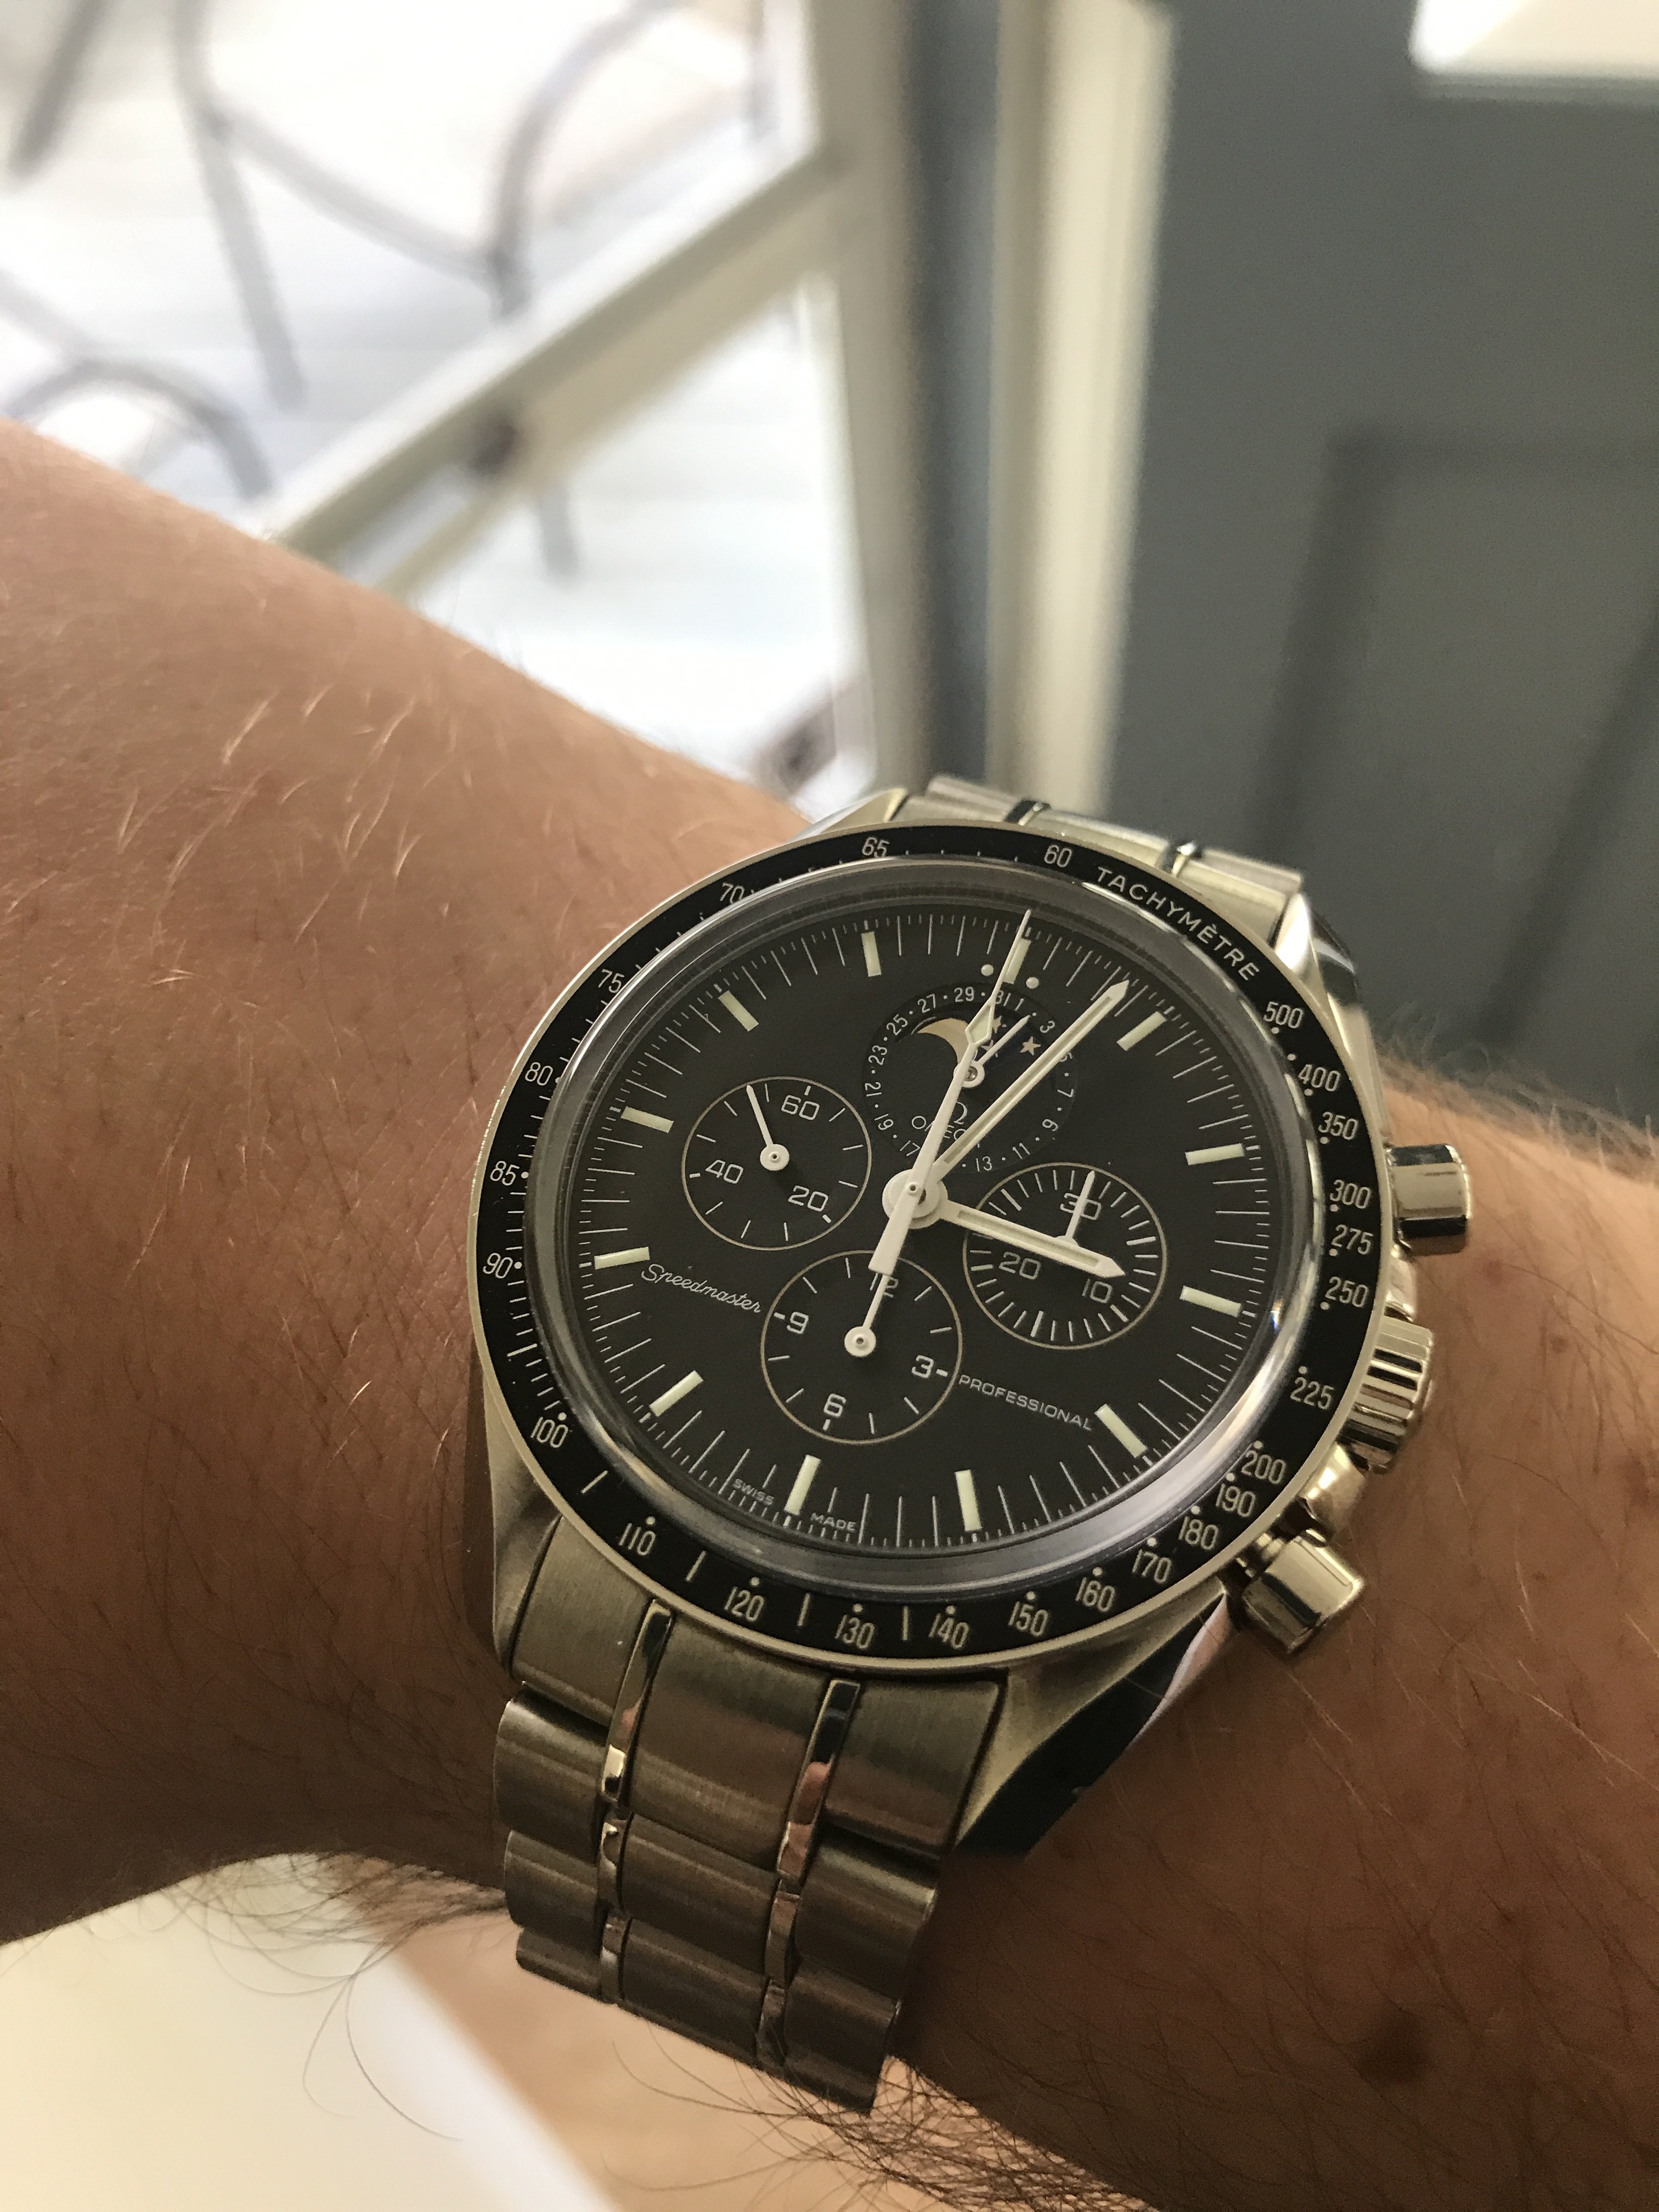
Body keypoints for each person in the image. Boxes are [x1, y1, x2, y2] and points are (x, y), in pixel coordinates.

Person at [3, 419, 1656, 2212]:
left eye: (956, 1209)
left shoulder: (1287, 1351)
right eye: (918, 1188)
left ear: (1360, 1383)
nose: (910, 1202)